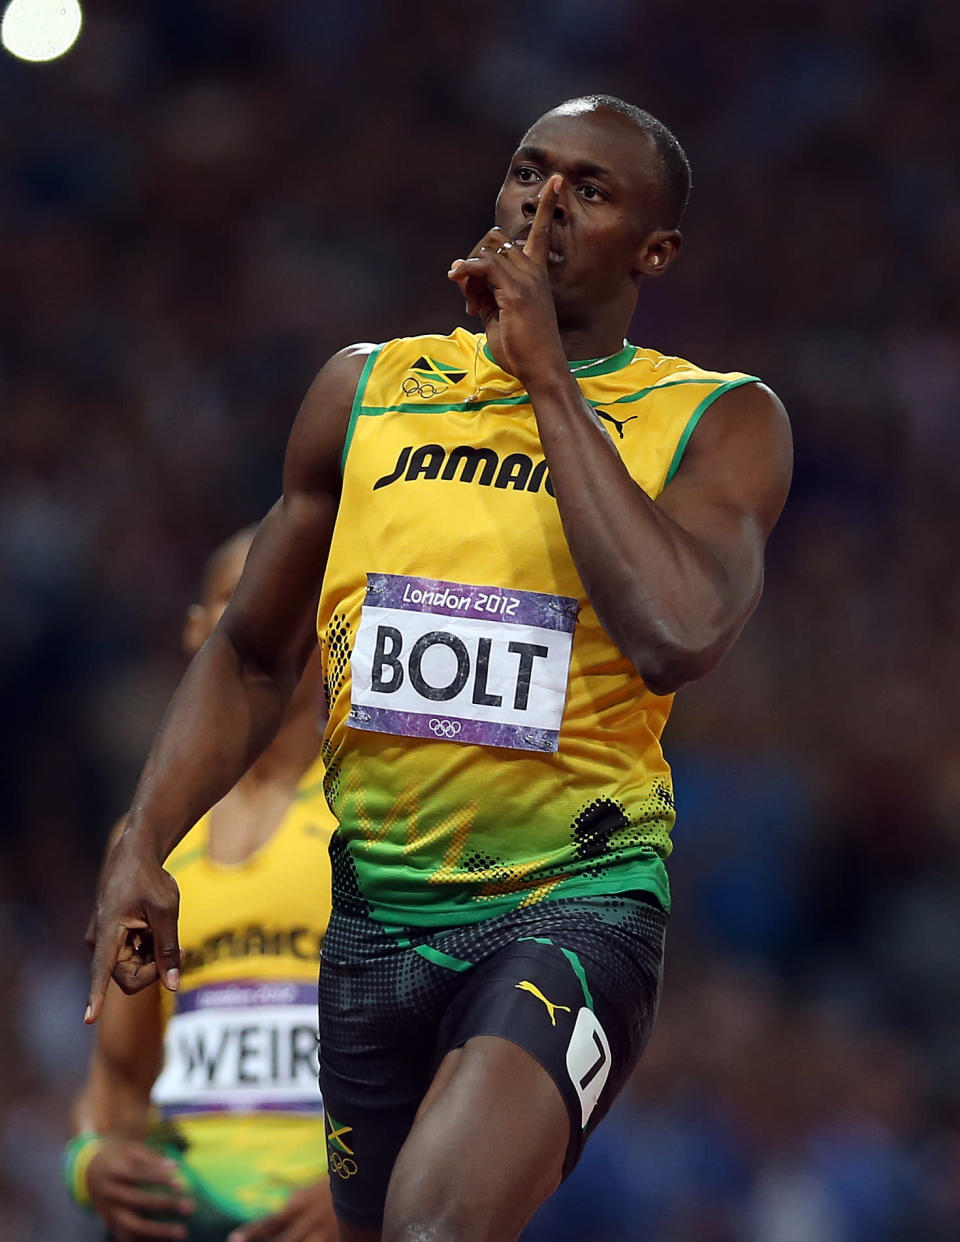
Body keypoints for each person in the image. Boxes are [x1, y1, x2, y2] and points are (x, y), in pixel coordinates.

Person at [85, 94, 793, 1242]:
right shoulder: (364, 391)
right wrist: (140, 841)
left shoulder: (716, 420)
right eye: (528, 172)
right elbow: (253, 651)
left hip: (571, 898)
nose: (544, 203)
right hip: (373, 913)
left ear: (655, 251)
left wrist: (546, 380)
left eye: (591, 191)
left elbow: (679, 633)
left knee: (435, 1227)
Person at [69, 528, 338, 1242]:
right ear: (198, 630)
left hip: (329, 1216)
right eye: (241, 596)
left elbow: (439, 1046)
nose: (269, 612)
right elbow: (119, 1082)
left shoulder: (372, 820)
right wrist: (90, 1165)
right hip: (182, 1215)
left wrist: (364, 1196)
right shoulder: (144, 843)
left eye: (294, 598)